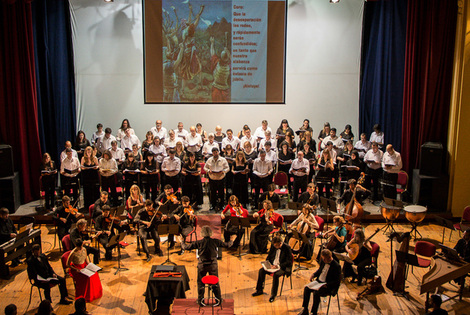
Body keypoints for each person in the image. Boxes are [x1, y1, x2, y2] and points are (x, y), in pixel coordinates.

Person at [181, 225, 233, 307]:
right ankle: (218, 299)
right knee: (215, 283)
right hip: (213, 265)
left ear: (202, 234)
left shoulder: (199, 243)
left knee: (200, 283)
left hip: (202, 265)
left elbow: (186, 247)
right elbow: (227, 245)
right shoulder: (216, 241)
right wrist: (231, 240)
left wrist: (181, 241)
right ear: (210, 233)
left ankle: (200, 300)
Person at [298, 249, 341, 315]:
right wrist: (314, 274)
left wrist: (327, 285)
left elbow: (337, 281)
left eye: (324, 259)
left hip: (327, 286)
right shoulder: (323, 261)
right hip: (319, 282)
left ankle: (314, 312)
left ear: (329, 257)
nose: (323, 260)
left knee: (316, 293)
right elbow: (320, 270)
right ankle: (305, 309)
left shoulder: (336, 266)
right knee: (306, 289)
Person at [252, 236, 293, 303]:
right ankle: (259, 290)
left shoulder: (287, 248)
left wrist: (278, 266)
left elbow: (289, 261)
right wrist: (268, 263)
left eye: (276, 245)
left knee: (276, 275)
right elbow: (269, 256)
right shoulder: (273, 246)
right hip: (272, 266)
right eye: (274, 245)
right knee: (261, 271)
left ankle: (273, 295)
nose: (275, 247)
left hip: (282, 267)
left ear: (280, 243)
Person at [204, 147, 229, 211]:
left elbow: (227, 168)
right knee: (213, 192)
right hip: (212, 178)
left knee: (221, 192)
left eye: (216, 152)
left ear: (218, 152)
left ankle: (222, 205)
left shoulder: (223, 159)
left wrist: (223, 171)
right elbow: (205, 168)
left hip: (220, 178)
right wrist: (209, 170)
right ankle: (213, 205)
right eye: (214, 153)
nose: (215, 154)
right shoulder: (209, 160)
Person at [210, 35, 231, 102]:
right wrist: (228, 53)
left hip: (216, 89)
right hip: (225, 90)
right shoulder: (229, 67)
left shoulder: (217, 63)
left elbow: (212, 53)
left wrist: (212, 43)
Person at [80, 146, 100, 210]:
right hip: (86, 176)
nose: (89, 153)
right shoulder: (83, 158)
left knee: (94, 190)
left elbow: (97, 166)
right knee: (87, 190)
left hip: (93, 175)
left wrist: (96, 167)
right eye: (87, 152)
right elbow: (81, 167)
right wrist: (85, 168)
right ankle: (87, 205)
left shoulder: (94, 158)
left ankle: (95, 205)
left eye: (90, 152)